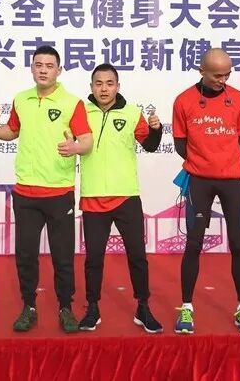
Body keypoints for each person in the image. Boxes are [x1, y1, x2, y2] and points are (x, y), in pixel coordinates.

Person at [0, 45, 93, 333]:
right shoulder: (21, 99)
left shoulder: (72, 103)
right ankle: (29, 306)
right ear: (32, 68)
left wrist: (75, 147)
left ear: (59, 70)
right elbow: (11, 131)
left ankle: (65, 308)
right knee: (26, 255)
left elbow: (86, 140)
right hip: (25, 193)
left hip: (59, 193)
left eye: (49, 65)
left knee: (62, 257)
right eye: (38, 65)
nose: (43, 70)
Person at [171, 48, 240, 334]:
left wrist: (223, 163)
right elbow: (181, 144)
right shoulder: (184, 100)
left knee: (238, 244)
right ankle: (186, 307)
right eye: (217, 75)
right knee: (193, 244)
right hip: (199, 181)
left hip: (232, 181)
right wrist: (204, 164)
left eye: (227, 74)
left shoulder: (239, 99)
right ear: (202, 71)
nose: (223, 80)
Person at [77, 64, 164, 333]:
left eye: (109, 83)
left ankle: (143, 307)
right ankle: (92, 308)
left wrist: (156, 129)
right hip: (93, 196)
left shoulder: (132, 113)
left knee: (137, 255)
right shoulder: (80, 112)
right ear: (91, 86)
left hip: (126, 196)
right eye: (98, 83)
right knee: (93, 258)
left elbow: (150, 145)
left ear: (118, 86)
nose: (104, 89)